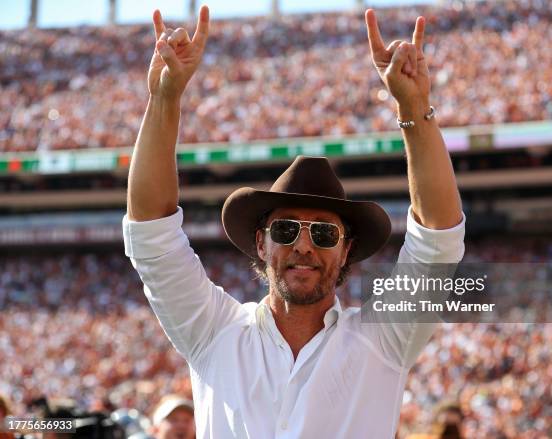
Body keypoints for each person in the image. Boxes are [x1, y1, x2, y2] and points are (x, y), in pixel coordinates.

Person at [123, 5, 464, 438]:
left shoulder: (385, 340)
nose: (304, 246)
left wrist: (415, 110)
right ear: (262, 244)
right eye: (286, 230)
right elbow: (152, 232)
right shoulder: (213, 332)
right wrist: (164, 99)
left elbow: (439, 240)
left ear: (346, 250)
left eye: (324, 233)